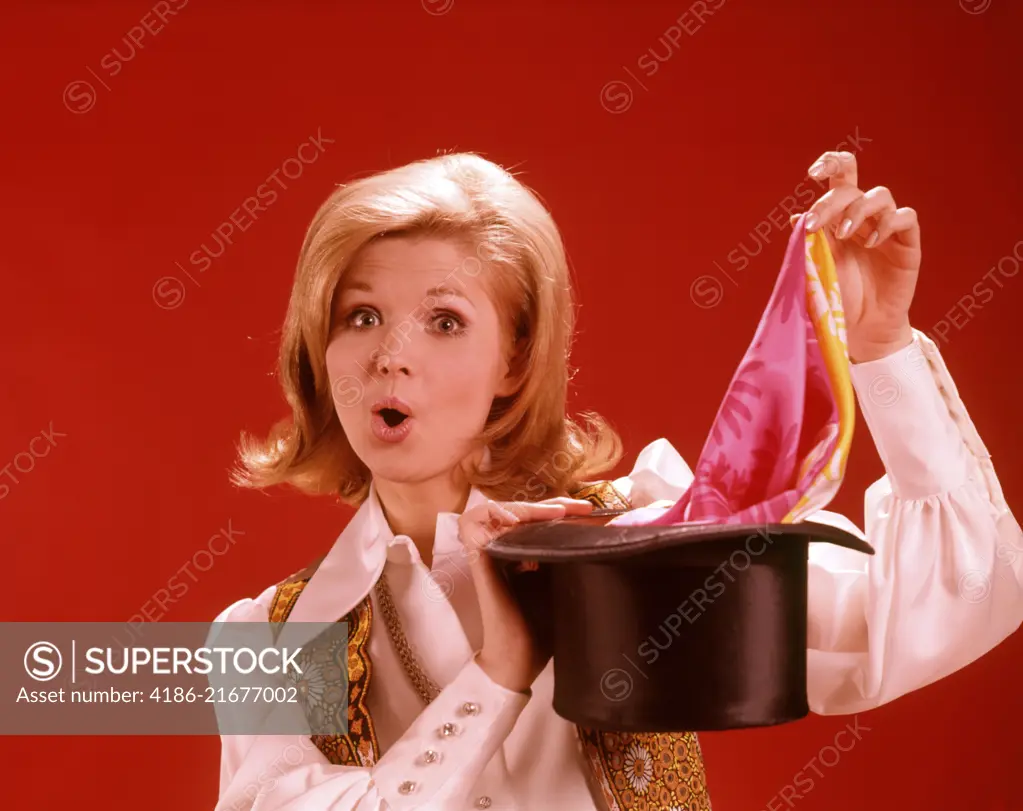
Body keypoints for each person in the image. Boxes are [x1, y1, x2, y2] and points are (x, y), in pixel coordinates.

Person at [208, 151, 1021, 811]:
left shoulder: (642, 546)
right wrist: (501, 670)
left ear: (514, 359)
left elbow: (959, 597)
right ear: (321, 351)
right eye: (360, 316)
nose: (391, 353)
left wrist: (879, 342)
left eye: (445, 319)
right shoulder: (265, 640)